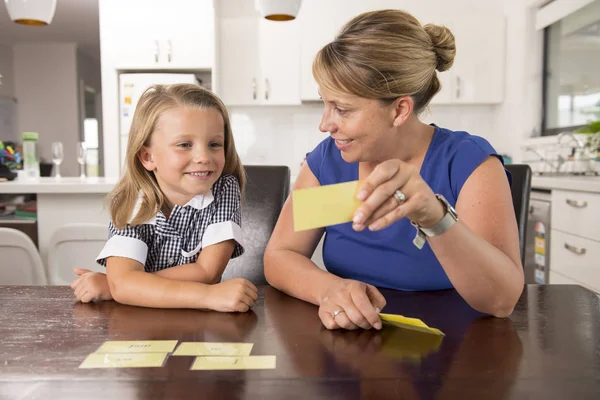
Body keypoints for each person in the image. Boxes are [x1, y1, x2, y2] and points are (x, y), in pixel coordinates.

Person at [264, 9, 524, 330]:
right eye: (325, 103)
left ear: (400, 109)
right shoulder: (329, 163)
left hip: (455, 347)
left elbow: (501, 301)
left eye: (342, 109)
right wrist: (330, 289)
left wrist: (435, 217)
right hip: (354, 344)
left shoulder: (468, 163)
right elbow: (280, 255)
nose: (325, 124)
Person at [70, 84, 257, 312]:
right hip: (137, 329)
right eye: (184, 145)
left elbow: (207, 272)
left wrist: (123, 286)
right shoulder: (131, 200)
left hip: (198, 325)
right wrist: (208, 297)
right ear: (148, 157)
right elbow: (124, 283)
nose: (203, 156)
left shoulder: (224, 189)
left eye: (214, 144)